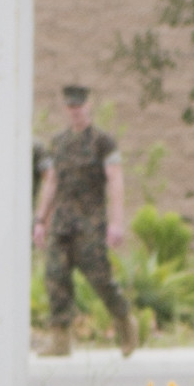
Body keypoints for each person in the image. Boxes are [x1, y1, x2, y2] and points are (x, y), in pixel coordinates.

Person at [36, 83, 137, 355]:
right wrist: (40, 220)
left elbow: (115, 180)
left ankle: (125, 323)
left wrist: (116, 223)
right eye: (70, 106)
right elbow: (52, 182)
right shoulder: (58, 142)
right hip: (62, 222)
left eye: (79, 106)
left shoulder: (102, 141)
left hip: (90, 223)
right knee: (55, 277)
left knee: (100, 279)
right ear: (65, 109)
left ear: (88, 106)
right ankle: (60, 341)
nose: (75, 111)